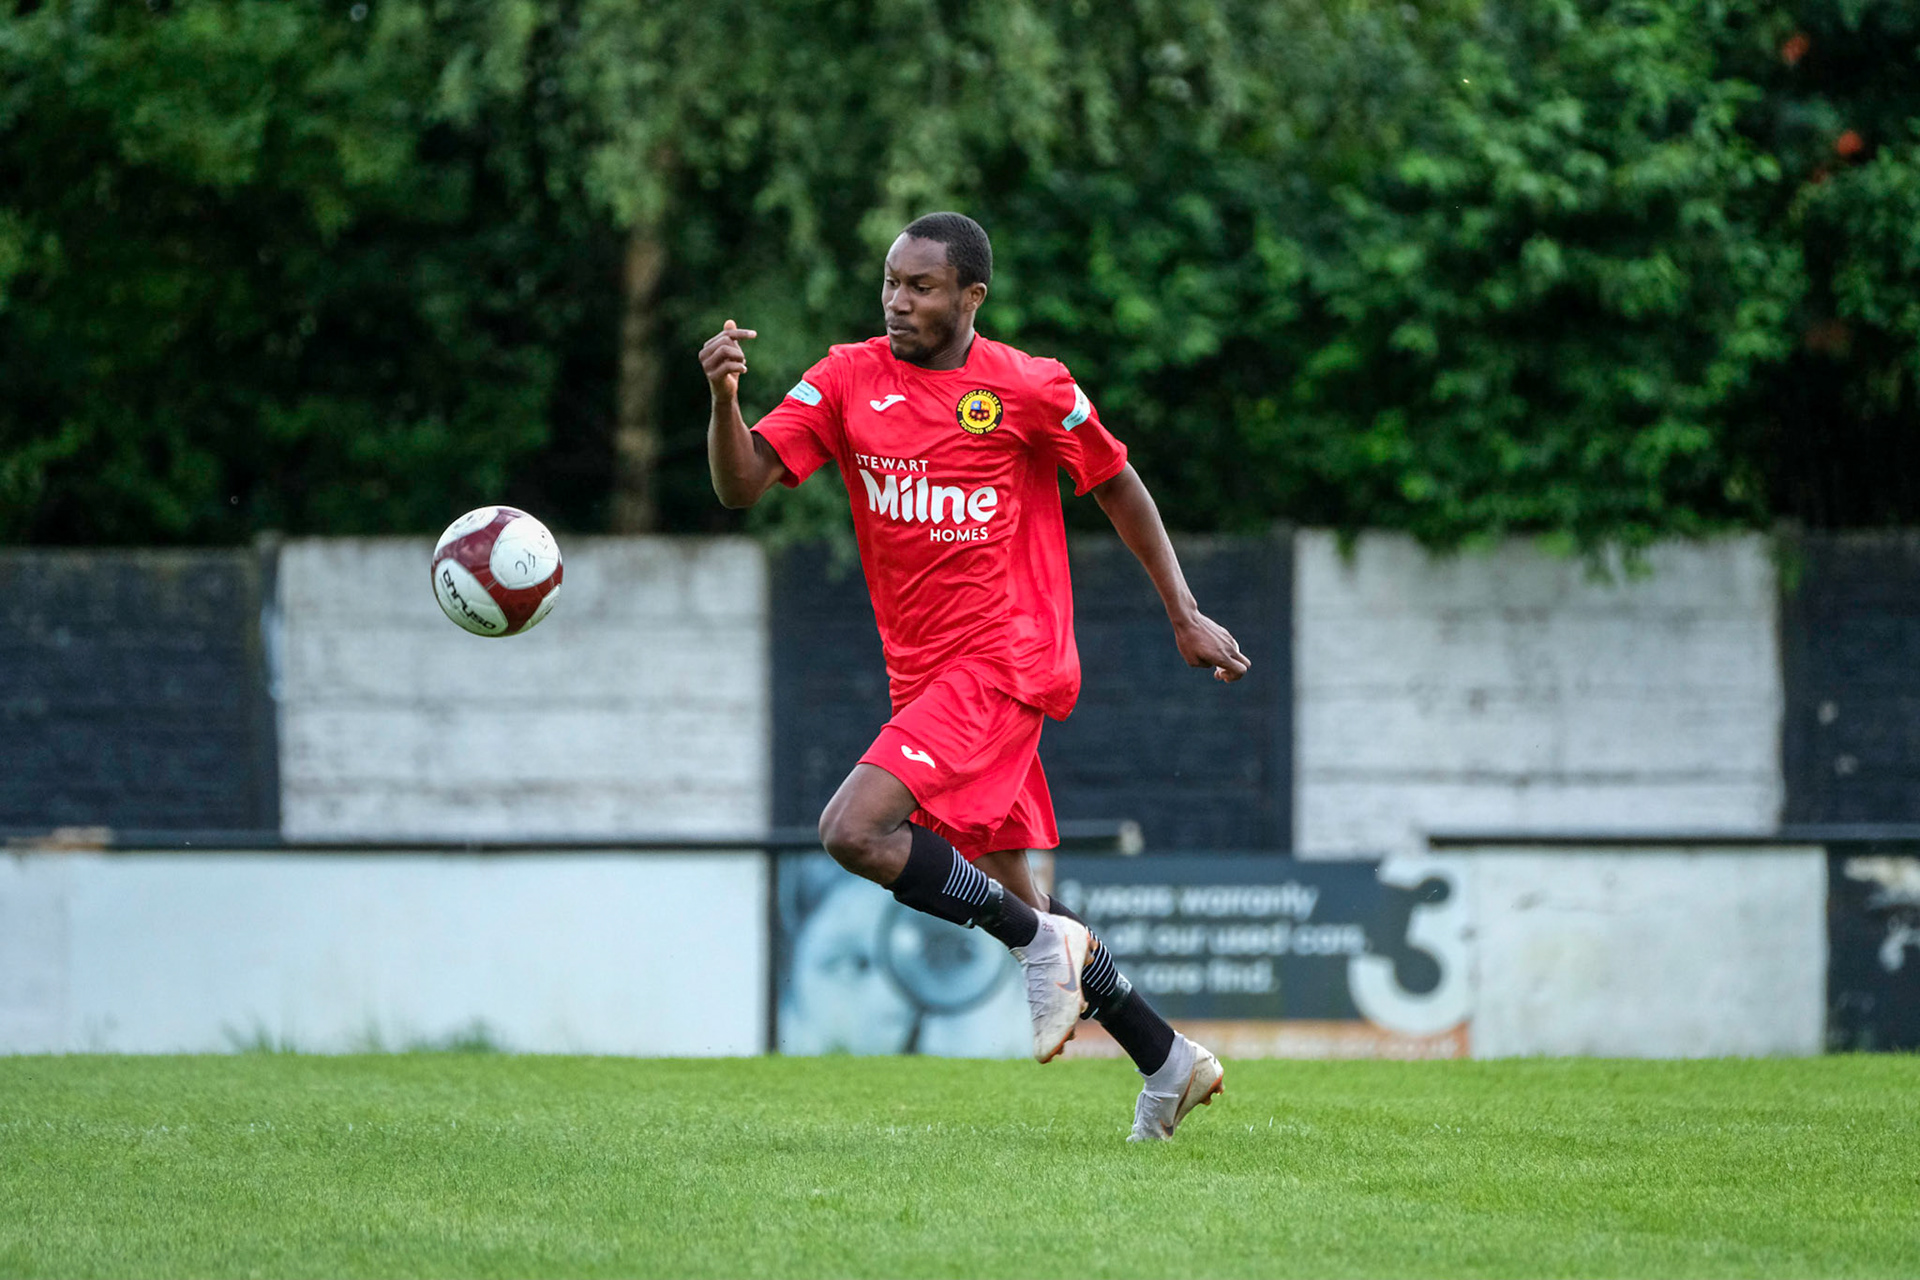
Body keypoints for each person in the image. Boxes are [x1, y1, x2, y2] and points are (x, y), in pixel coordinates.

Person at [701, 211, 1249, 1141]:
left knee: (854, 831)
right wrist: (724, 400)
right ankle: (1167, 1060)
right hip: (922, 676)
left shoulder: (1028, 387)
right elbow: (740, 483)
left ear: (971, 296)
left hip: (1006, 659)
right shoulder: (846, 379)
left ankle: (1040, 947)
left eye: (920, 286)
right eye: (891, 281)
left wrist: (1183, 612)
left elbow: (1117, 480)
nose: (897, 300)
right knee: (1019, 895)